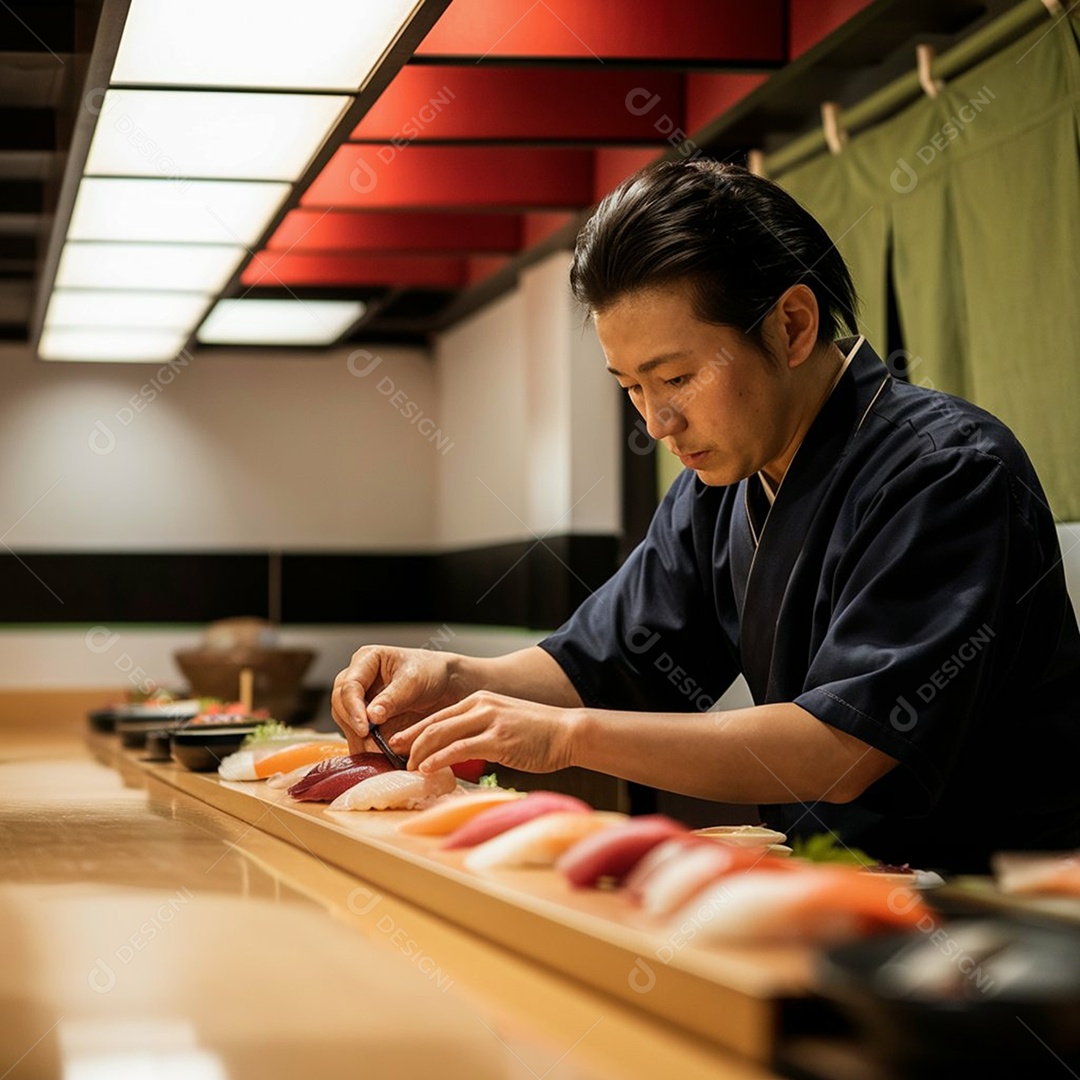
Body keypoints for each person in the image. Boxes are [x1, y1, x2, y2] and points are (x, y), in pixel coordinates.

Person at [332, 159, 1080, 873]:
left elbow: (846, 746)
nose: (657, 421)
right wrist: (451, 675)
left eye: (678, 378)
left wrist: (566, 738)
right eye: (630, 387)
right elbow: (601, 664)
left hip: (993, 911)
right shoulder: (722, 484)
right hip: (833, 888)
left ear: (791, 325)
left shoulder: (947, 470)